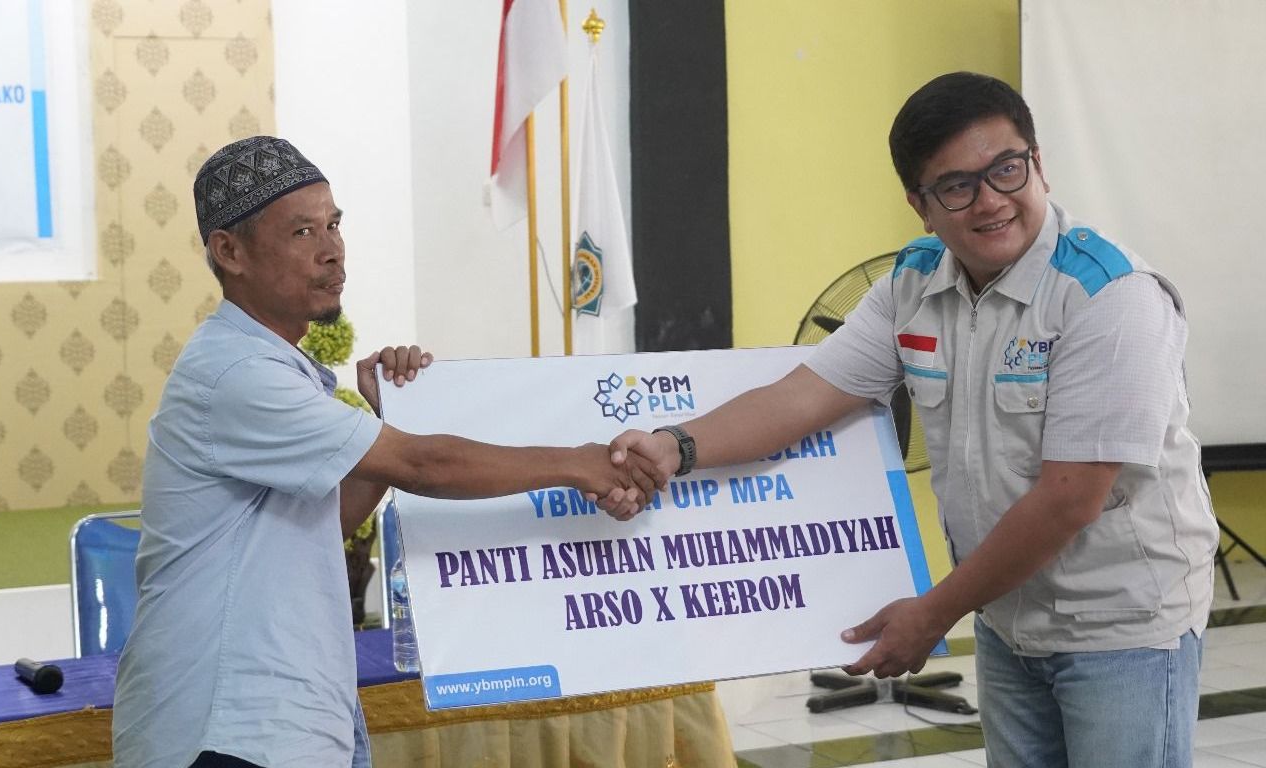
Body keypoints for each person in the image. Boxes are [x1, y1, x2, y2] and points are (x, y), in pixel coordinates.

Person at [609, 72, 1218, 767]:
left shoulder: (1110, 296)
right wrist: (674, 446)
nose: (991, 201)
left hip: (1122, 624)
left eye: (1007, 169)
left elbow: (1069, 498)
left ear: (1039, 163)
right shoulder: (913, 281)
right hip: (1006, 617)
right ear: (920, 205)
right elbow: (804, 396)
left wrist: (933, 613)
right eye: (957, 186)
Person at [112, 136, 659, 768]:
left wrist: (388, 417)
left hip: (267, 729)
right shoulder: (237, 373)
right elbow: (426, 466)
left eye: (335, 224)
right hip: (223, 732)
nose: (332, 250)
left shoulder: (271, 366)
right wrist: (582, 464)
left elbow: (323, 526)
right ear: (229, 251)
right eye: (302, 232)